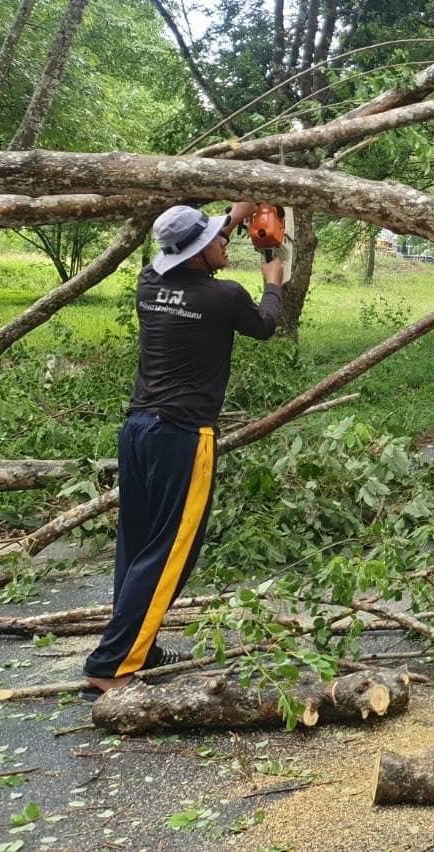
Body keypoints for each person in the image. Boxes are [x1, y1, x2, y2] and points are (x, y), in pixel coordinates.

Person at [82, 201, 284, 694]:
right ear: (197, 254)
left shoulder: (149, 283)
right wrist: (274, 278)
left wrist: (233, 216)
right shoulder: (225, 297)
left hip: (137, 432)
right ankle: (109, 667)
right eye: (218, 239)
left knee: (138, 546)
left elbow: (184, 251)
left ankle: (139, 647)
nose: (225, 242)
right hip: (183, 437)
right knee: (171, 550)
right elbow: (264, 324)